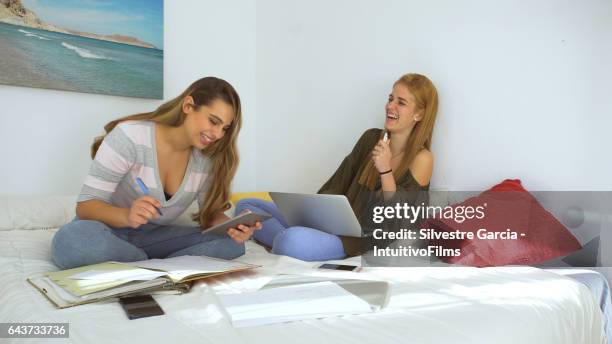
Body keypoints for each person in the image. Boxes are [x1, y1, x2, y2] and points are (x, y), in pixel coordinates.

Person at [51, 77, 261, 269]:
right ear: (188, 105)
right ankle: (156, 266)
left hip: (153, 238)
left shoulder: (206, 159)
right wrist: (127, 215)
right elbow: (86, 206)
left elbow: (210, 216)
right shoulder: (130, 136)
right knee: (71, 241)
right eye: (213, 121)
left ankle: (139, 266)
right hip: (105, 231)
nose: (217, 134)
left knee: (231, 244)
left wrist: (233, 227)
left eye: (225, 128)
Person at [236, 73, 438, 261]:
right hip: (334, 225)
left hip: (359, 240)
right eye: (390, 98)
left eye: (401, 102)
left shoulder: (422, 158)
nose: (390, 106)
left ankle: (288, 242)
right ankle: (292, 241)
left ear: (419, 114)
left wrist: (385, 170)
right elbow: (339, 182)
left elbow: (401, 220)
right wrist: (313, 213)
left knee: (291, 240)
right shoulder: (371, 138)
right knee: (246, 206)